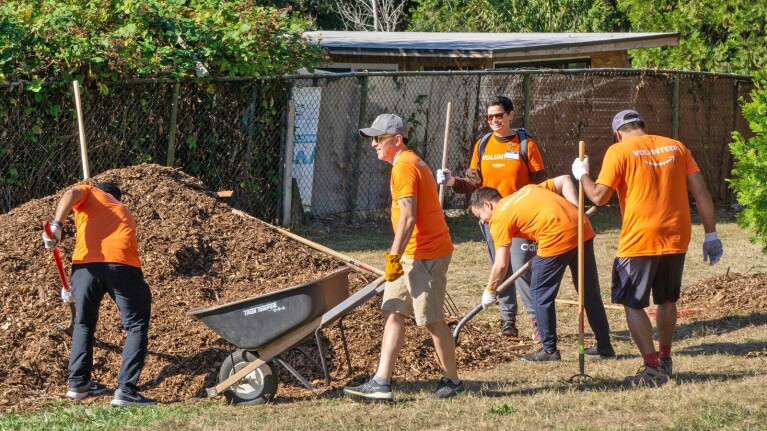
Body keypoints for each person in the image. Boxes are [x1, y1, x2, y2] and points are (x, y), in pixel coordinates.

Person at [572, 109, 723, 386]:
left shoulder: (619, 151)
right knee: (667, 300)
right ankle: (665, 359)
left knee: (632, 302)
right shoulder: (677, 147)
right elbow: (701, 192)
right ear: (642, 126)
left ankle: (653, 369)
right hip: (677, 235)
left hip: (639, 239)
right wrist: (710, 233)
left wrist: (582, 175)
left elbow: (598, 196)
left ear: (617, 133)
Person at [342, 114, 462, 401]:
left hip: (425, 254)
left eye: (378, 138)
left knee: (432, 319)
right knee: (394, 310)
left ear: (397, 139)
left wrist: (393, 259)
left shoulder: (406, 166)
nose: (373, 144)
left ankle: (453, 381)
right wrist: (398, 258)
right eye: (372, 138)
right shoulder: (406, 163)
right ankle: (381, 381)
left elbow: (408, 219)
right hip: (411, 253)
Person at [468, 176, 614, 362]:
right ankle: (604, 346)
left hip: (555, 236)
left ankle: (549, 350)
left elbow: (502, 263)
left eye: (479, 216)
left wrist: (490, 290)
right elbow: (564, 180)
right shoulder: (527, 190)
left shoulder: (498, 218)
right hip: (581, 228)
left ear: (488, 205)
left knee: (539, 294)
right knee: (589, 292)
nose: (482, 222)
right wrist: (576, 210)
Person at [437, 95, 547, 342]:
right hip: (491, 219)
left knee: (521, 269)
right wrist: (452, 181)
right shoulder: (483, 145)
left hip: (520, 219)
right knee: (502, 267)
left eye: (499, 115)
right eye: (490, 116)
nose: (494, 120)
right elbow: (474, 183)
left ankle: (537, 321)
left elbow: (541, 182)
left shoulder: (525, 144)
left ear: (510, 115)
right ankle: (509, 320)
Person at [42, 182, 157, 406]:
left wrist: (57, 226)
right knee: (135, 324)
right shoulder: (123, 210)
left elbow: (70, 193)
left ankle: (78, 384)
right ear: (117, 197)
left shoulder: (90, 191)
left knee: (83, 322)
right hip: (121, 265)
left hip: (85, 267)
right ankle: (126, 390)